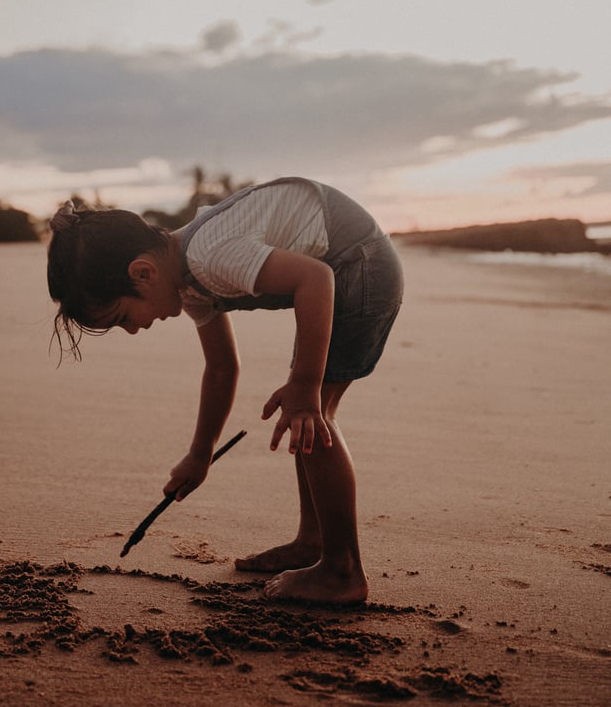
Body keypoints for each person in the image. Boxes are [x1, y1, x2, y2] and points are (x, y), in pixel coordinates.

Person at [47, 177, 403, 604]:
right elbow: (221, 368)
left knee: (313, 414)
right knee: (307, 416)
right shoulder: (189, 283)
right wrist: (200, 454)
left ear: (143, 273)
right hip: (346, 270)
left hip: (358, 267)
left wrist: (305, 384)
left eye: (124, 317)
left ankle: (342, 569)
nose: (134, 329)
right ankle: (315, 543)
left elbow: (316, 277)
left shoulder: (209, 255)